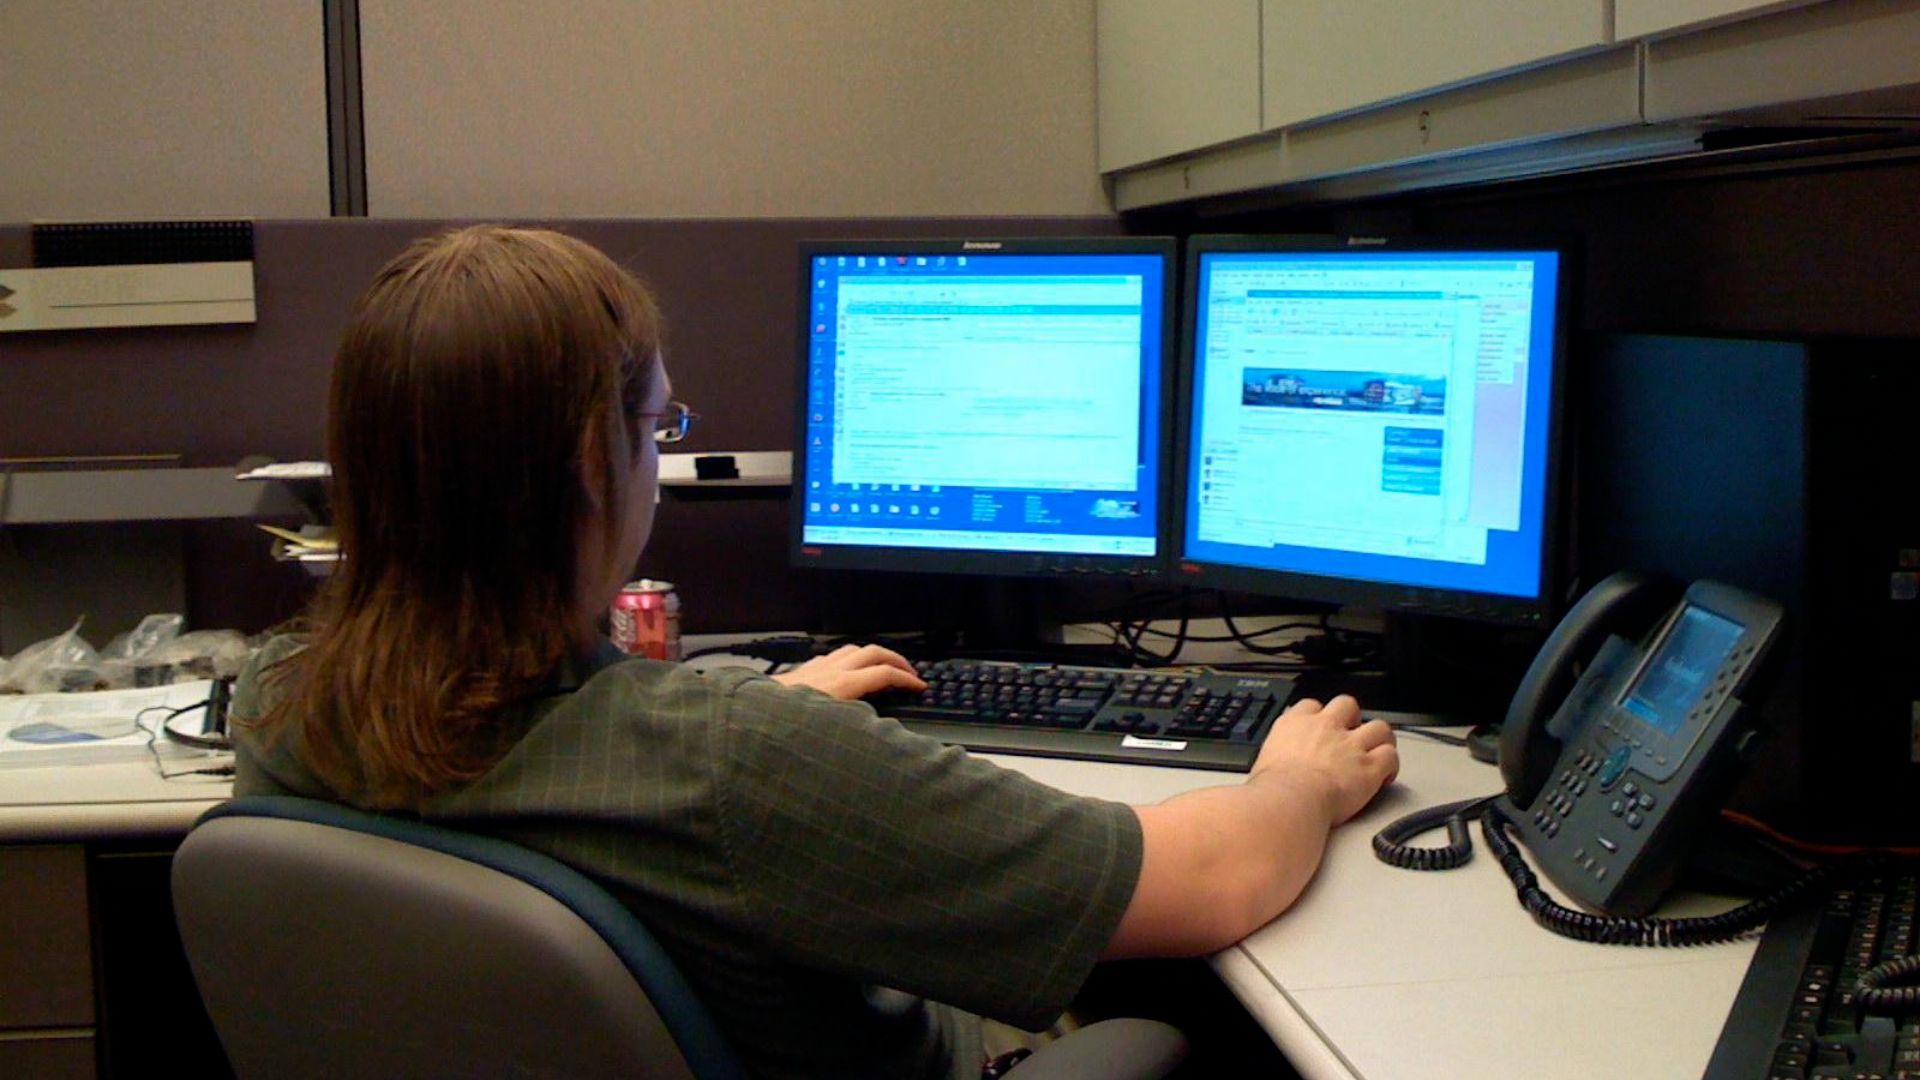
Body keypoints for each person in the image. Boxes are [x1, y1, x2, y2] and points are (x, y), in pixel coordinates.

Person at [231, 225, 1399, 1080]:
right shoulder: (735, 765)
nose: (658, 459)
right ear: (596, 466)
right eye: (657, 427)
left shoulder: (280, 707)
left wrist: (763, 706)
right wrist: (1299, 778)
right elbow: (1206, 884)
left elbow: (597, 768)